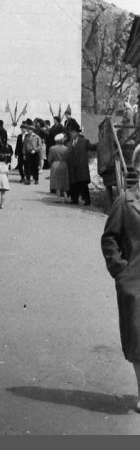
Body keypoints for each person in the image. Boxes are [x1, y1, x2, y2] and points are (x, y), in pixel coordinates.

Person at [101, 145, 140, 412]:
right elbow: (110, 239)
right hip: (135, 283)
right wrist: (120, 271)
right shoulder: (126, 202)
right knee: (139, 343)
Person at [65, 118, 94, 206]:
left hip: (81, 168)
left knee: (83, 184)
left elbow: (92, 147)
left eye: (73, 132)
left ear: (77, 133)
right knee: (73, 184)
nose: (72, 134)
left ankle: (87, 200)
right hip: (72, 167)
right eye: (71, 133)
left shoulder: (84, 141)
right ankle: (74, 199)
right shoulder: (68, 143)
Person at [48, 133, 70, 203]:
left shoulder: (52, 148)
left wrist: (50, 164)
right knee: (65, 182)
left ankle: (58, 198)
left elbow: (50, 159)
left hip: (55, 164)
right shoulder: (66, 148)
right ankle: (66, 198)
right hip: (64, 164)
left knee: (57, 182)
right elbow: (68, 158)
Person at [22, 120, 42, 185]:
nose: (27, 131)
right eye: (27, 130)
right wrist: (24, 154)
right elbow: (24, 146)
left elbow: (40, 146)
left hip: (35, 154)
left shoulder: (37, 137)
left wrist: (35, 150)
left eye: (29, 130)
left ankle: (36, 179)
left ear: (32, 130)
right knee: (27, 167)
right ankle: (28, 180)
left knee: (35, 167)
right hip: (28, 153)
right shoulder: (26, 137)